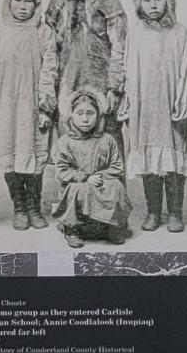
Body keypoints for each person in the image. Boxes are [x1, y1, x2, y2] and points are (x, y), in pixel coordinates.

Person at [115, 0, 187, 235]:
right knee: (149, 160)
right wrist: (127, 100)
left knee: (172, 161)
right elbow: (129, 68)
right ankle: (153, 211)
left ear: (167, 0)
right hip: (145, 106)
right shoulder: (136, 33)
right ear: (139, 2)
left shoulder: (181, 33)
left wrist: (182, 100)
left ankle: (175, 212)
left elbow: (186, 69)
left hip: (171, 104)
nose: (152, 4)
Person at [0, 0, 59, 233]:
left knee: (33, 155)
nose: (23, 6)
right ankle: (19, 206)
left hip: (32, 105)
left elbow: (50, 69)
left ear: (36, 4)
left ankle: (34, 207)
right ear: (9, 2)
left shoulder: (43, 32)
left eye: (29, 1)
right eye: (18, 0)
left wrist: (46, 106)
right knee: (9, 155)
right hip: (4, 105)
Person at [44, 0, 126, 133]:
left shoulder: (108, 0)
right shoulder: (56, 4)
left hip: (102, 87)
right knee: (69, 146)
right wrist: (48, 97)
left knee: (106, 144)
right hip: (67, 88)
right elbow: (49, 53)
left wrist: (115, 88)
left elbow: (120, 48)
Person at [52, 88, 131, 250]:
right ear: (71, 115)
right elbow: (61, 171)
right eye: (80, 113)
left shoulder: (107, 140)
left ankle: (110, 226)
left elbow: (117, 167)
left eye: (90, 113)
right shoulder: (65, 142)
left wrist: (99, 176)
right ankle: (73, 228)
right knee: (77, 189)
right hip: (78, 183)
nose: (85, 119)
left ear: (99, 115)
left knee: (116, 187)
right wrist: (86, 177)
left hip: (102, 181)